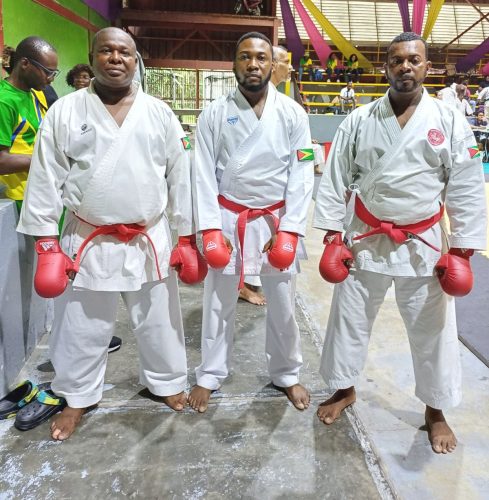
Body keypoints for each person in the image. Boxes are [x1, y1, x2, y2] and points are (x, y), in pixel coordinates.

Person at [17, 27, 200, 440]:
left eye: (125, 52)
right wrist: (46, 242)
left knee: (159, 321)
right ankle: (78, 396)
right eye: (107, 51)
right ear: (92, 57)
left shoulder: (158, 112)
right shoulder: (65, 112)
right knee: (82, 324)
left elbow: (180, 175)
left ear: (136, 61)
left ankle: (167, 382)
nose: (116, 58)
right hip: (88, 237)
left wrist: (187, 235)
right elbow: (46, 176)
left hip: (147, 236)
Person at [313, 32, 487, 454]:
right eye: (396, 60)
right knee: (349, 319)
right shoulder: (359, 118)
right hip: (366, 237)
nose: (405, 66)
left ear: (427, 67)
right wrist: (333, 235)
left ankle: (435, 408)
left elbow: (464, 184)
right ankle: (344, 388)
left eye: (414, 60)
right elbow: (336, 177)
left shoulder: (448, 120)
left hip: (422, 242)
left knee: (432, 329)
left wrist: (462, 248)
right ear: (385, 67)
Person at [189, 32, 314, 413]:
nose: (254, 64)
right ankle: (210, 374)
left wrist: (291, 228)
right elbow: (201, 173)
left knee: (282, 301)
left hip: (274, 218)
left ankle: (287, 373)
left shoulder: (293, 112)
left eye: (261, 58)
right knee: (217, 301)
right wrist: (209, 228)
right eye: (245, 57)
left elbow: (303, 171)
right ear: (234, 63)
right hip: (228, 218)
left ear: (272, 65)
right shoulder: (213, 113)